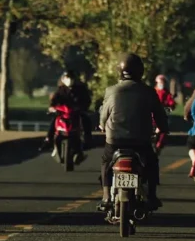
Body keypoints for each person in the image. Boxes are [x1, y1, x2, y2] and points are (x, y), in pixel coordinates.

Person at [98, 53, 169, 212]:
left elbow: (104, 115)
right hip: (141, 141)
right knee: (151, 163)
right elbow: (159, 115)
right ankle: (151, 195)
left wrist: (102, 125)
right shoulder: (149, 92)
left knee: (106, 162)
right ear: (141, 71)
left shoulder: (111, 91)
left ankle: (106, 196)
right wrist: (163, 128)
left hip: (115, 140)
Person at [41, 71, 93, 152]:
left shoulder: (81, 89)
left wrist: (83, 107)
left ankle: (88, 140)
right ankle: (48, 140)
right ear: (63, 79)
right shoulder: (61, 90)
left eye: (71, 78)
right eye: (67, 77)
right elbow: (54, 101)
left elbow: (87, 100)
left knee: (86, 119)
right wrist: (52, 108)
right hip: (63, 113)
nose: (69, 80)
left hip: (76, 112)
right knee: (53, 121)